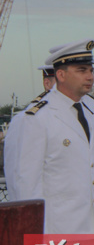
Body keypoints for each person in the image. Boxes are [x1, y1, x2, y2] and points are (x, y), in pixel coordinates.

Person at [11, 39, 94, 245]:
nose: (90, 76)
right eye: (82, 70)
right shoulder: (36, 118)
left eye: (91, 70)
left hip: (87, 233)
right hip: (54, 235)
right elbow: (25, 183)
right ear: (61, 75)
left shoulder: (90, 113)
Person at [4, 62, 57, 201]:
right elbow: (19, 175)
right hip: (47, 212)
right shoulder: (28, 118)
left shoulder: (88, 112)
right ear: (47, 83)